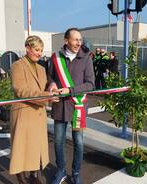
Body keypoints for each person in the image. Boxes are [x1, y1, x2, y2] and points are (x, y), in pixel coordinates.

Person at [48, 28, 95, 184]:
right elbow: (50, 77)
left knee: (79, 142)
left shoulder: (86, 57)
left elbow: (90, 85)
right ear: (66, 40)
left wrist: (71, 90)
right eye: (75, 40)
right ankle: (61, 170)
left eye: (80, 40)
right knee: (58, 141)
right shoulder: (56, 57)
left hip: (77, 107)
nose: (78, 43)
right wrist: (52, 85)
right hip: (60, 106)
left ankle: (75, 173)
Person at [9, 35, 57, 184]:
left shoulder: (42, 68)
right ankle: (21, 179)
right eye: (36, 50)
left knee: (35, 148)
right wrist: (47, 96)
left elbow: (48, 83)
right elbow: (22, 91)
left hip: (38, 114)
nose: (39, 53)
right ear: (27, 48)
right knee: (21, 150)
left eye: (41, 50)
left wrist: (52, 86)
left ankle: (34, 176)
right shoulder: (17, 66)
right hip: (23, 113)